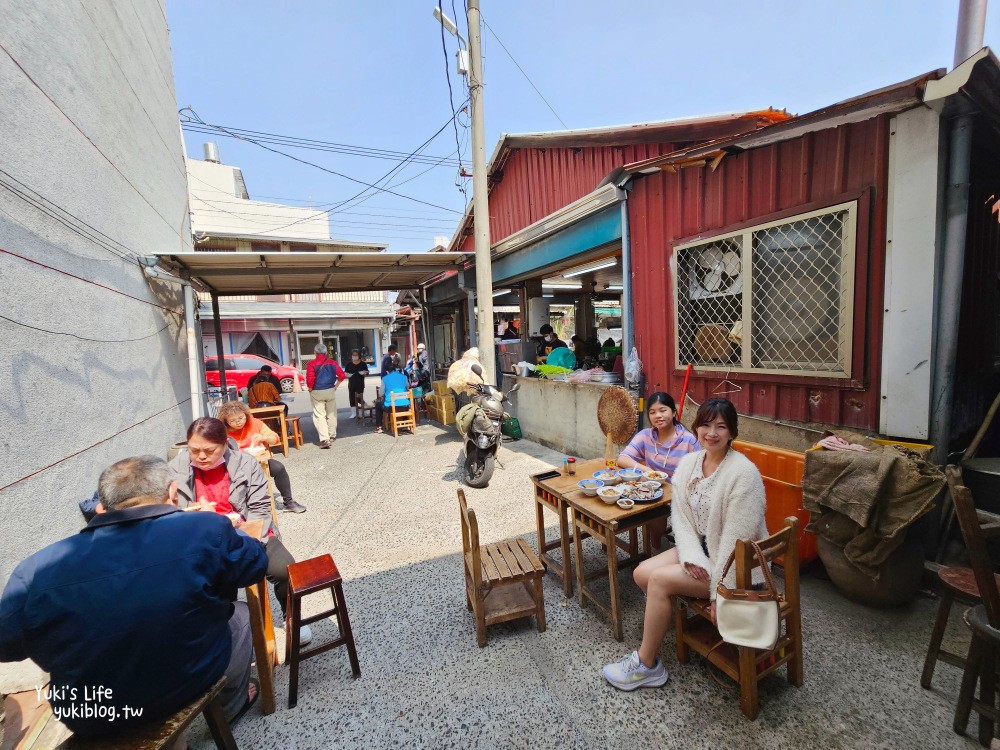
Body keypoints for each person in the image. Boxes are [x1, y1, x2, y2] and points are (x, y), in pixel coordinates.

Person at [0, 456, 268, 741]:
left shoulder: (35, 569)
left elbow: (6, 646)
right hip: (183, 683)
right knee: (239, 615)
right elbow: (255, 563)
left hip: (88, 710)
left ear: (101, 509)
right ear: (173, 494)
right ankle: (232, 706)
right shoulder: (206, 529)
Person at [602, 398, 768, 691]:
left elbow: (736, 543)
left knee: (658, 581)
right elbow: (682, 518)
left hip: (733, 567)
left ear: (732, 432)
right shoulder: (691, 462)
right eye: (705, 425)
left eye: (721, 426)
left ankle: (646, 664)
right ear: (696, 427)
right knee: (641, 572)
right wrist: (691, 555)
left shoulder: (744, 474)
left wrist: (721, 593)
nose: (712, 433)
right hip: (703, 550)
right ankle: (667, 618)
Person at [168, 418, 312, 645]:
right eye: (194, 450)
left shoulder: (245, 463)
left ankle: (291, 615)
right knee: (213, 583)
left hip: (247, 530)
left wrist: (248, 534)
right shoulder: (176, 469)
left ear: (225, 444)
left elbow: (260, 507)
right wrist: (200, 518)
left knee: (285, 569)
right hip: (201, 539)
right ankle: (226, 633)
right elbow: (172, 511)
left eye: (209, 450)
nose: (201, 456)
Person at [617, 392, 700, 550]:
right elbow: (622, 459)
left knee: (659, 511)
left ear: (674, 412)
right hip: (654, 491)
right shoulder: (645, 436)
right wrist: (647, 471)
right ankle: (656, 548)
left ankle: (682, 548)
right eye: (652, 412)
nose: (658, 416)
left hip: (683, 494)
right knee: (637, 503)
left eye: (663, 410)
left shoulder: (689, 441)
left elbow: (700, 474)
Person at [217, 402, 306, 513]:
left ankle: (289, 502)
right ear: (226, 421)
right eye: (233, 421)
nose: (239, 422)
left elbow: (275, 438)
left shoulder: (254, 423)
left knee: (279, 468)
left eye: (241, 418)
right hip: (235, 466)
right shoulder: (221, 431)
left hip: (258, 460)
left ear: (246, 414)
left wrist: (263, 437)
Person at [306, 344, 346, 449]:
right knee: (331, 413)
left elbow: (310, 379)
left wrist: (310, 388)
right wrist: (336, 386)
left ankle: (324, 439)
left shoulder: (311, 364)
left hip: (317, 391)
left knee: (319, 415)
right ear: (326, 353)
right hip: (330, 390)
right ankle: (332, 435)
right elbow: (342, 375)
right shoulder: (333, 363)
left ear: (315, 352)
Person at [375, 359, 410, 434]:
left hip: (390, 407)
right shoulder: (404, 377)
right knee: (403, 401)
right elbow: (408, 387)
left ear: (387, 371)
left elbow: (380, 393)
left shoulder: (385, 378)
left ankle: (379, 427)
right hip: (405, 406)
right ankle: (405, 425)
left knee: (378, 405)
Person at [343, 349, 370, 420]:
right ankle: (354, 413)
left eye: (356, 355)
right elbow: (345, 373)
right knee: (352, 398)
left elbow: (367, 372)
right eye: (353, 355)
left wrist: (365, 372)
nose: (354, 356)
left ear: (359, 355)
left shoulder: (363, 364)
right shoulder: (349, 364)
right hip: (351, 384)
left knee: (359, 398)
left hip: (360, 383)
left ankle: (365, 409)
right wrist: (347, 374)